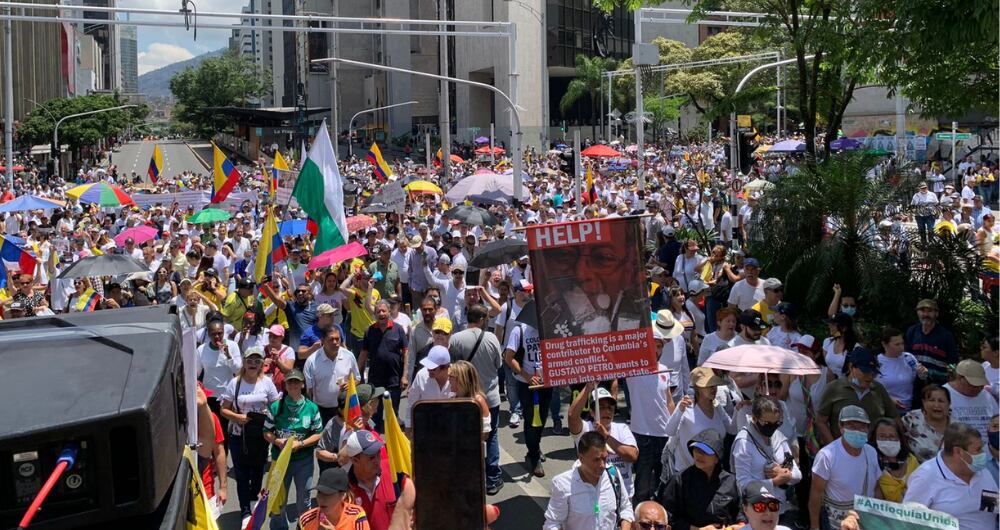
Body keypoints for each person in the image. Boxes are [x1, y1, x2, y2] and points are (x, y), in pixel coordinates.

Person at [448, 303, 505, 494]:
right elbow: (498, 364)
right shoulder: (492, 338)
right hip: (490, 396)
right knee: (492, 435)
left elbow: (453, 368)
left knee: (466, 437)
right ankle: (492, 478)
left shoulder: (456, 339)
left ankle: (470, 475)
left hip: (465, 398)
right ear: (482, 320)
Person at [219, 346, 280, 522]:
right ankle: (245, 510)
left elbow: (275, 406)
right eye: (250, 360)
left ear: (261, 364)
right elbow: (224, 409)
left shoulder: (267, 382)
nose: (253, 364)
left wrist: (271, 419)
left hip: (260, 435)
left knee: (258, 470)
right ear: (244, 362)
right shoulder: (235, 383)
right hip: (239, 435)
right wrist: (237, 417)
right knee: (241, 474)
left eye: (257, 360)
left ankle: (254, 497)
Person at [904, 422, 999, 530]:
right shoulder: (926, 477)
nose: (983, 453)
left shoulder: (981, 471)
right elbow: (909, 523)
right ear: (958, 451)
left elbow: (993, 508)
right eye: (978, 449)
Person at [263, 369, 323, 530]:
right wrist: (277, 441)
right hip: (280, 461)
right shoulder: (276, 407)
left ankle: (304, 527)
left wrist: (300, 444)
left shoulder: (311, 408)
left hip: (303, 462)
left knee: (304, 500)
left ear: (302, 385)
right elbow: (266, 431)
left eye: (297, 382)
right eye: (290, 382)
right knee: (278, 500)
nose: (293, 385)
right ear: (285, 385)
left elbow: (318, 434)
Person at [543, 431, 635, 530]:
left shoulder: (613, 474)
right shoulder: (562, 484)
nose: (602, 465)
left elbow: (625, 508)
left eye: (604, 458)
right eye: (596, 460)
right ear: (581, 458)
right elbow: (552, 524)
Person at [809, 406, 880, 530]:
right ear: (841, 427)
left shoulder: (871, 452)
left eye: (862, 427)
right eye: (851, 426)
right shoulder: (827, 456)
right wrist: (814, 526)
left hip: (866, 521)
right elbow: (816, 493)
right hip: (837, 522)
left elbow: (876, 487)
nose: (857, 431)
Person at [731, 395, 801, 521]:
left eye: (777, 423)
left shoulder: (779, 438)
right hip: (757, 511)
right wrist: (774, 482)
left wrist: (784, 474)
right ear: (754, 418)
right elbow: (743, 485)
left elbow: (797, 474)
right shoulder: (744, 443)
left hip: (780, 508)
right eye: (767, 423)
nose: (772, 427)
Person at [503, 297, 549, 478]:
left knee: (542, 419)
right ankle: (534, 456)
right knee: (531, 420)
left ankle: (535, 446)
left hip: (546, 384)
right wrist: (527, 376)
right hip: (527, 385)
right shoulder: (519, 330)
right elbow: (509, 358)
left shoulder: (548, 330)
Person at [658, 428, 740, 529]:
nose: (699, 455)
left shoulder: (731, 481)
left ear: (717, 458)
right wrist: (696, 529)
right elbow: (668, 516)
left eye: (705, 452)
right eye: (696, 450)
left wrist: (731, 528)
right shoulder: (679, 480)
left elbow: (741, 513)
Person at [568, 382, 638, 499]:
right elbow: (572, 416)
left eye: (610, 408)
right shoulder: (585, 429)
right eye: (601, 407)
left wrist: (606, 437)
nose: (607, 411)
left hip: (622, 495)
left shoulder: (622, 428)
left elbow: (632, 456)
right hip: (592, 494)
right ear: (592, 412)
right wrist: (588, 388)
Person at [815, 347, 897, 445]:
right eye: (865, 371)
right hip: (842, 448)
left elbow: (894, 417)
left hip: (872, 449)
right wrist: (833, 447)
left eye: (873, 373)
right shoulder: (834, 389)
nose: (870, 376)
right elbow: (821, 421)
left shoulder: (879, 389)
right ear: (851, 367)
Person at [664, 367, 736, 477]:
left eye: (715, 385)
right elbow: (669, 431)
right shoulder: (686, 407)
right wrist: (680, 410)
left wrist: (739, 411)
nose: (713, 389)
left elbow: (732, 429)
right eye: (709, 386)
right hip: (687, 474)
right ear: (698, 388)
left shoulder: (717, 407)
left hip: (711, 473)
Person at [344, 430, 415, 530]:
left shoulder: (393, 471)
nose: (377, 460)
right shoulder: (343, 489)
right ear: (355, 460)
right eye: (371, 457)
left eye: (378, 453)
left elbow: (413, 491)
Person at [358, 299, 407, 432]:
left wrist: (405, 376)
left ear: (389, 312)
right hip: (375, 382)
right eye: (378, 311)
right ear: (374, 314)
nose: (381, 314)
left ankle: (393, 440)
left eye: (383, 311)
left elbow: (406, 353)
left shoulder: (398, 329)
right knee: (374, 415)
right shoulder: (369, 331)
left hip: (394, 379)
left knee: (393, 414)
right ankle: (375, 441)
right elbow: (363, 353)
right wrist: (357, 374)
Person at [304, 326, 361, 428]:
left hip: (345, 409)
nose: (335, 342)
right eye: (331, 339)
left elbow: (357, 378)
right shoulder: (312, 361)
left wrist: (350, 384)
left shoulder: (349, 356)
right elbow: (309, 391)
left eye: (337, 339)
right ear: (322, 340)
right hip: (321, 410)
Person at [904, 299, 958, 404]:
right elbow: (906, 356)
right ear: (917, 313)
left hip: (938, 385)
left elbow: (953, 363)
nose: (926, 314)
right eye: (922, 311)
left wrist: (951, 383)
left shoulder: (946, 335)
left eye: (929, 311)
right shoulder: (912, 331)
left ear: (936, 313)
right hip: (915, 385)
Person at [297, 468, 371, 530]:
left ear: (342, 495)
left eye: (328, 494)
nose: (322, 499)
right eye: (319, 492)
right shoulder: (305, 520)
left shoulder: (356, 515)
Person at [944, 359, 999, 443]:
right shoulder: (942, 395)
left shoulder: (987, 396)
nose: (979, 388)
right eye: (974, 385)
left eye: (981, 385)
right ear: (960, 378)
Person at [876, 326, 926, 412]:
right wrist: (889, 399)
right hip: (887, 409)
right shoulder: (877, 361)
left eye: (902, 343)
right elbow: (873, 387)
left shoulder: (908, 357)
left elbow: (920, 379)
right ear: (884, 344)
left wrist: (922, 374)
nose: (901, 348)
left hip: (910, 408)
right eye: (897, 344)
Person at [868, 417, 918, 502]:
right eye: (882, 436)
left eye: (892, 436)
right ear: (874, 439)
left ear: (899, 438)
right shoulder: (871, 463)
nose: (887, 440)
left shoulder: (911, 460)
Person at [902, 384, 952, 463]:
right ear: (923, 402)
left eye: (941, 401)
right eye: (932, 400)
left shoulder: (958, 428)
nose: (936, 405)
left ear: (949, 404)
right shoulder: (911, 419)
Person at [407, 345, 452, 432]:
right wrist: (408, 427)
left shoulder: (457, 377)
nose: (428, 370)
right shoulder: (421, 375)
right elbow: (411, 403)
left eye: (432, 368)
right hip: (425, 427)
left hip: (450, 427)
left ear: (445, 368)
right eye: (428, 366)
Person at [448, 359, 492, 440]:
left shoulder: (478, 401)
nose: (448, 379)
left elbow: (485, 434)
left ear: (462, 380)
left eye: (451, 376)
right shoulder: (452, 398)